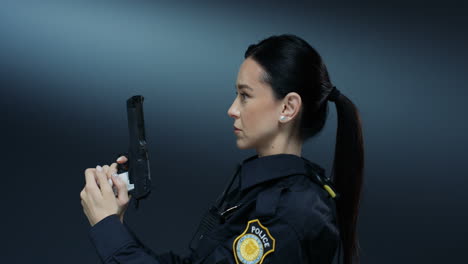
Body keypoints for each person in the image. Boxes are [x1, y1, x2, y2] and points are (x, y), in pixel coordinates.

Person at [80, 34, 365, 264]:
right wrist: (113, 222)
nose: (232, 109)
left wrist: (107, 227)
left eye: (245, 96)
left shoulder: (289, 213)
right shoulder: (266, 193)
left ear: (288, 107)